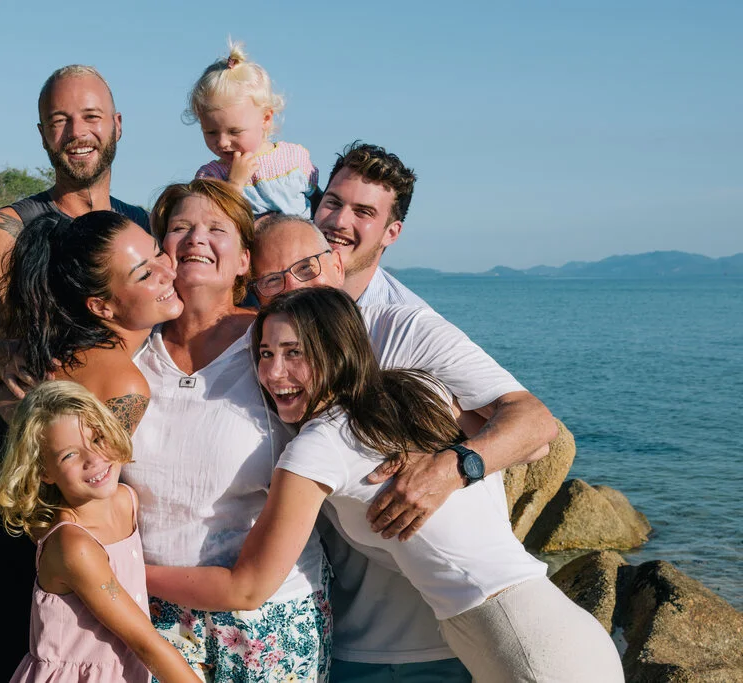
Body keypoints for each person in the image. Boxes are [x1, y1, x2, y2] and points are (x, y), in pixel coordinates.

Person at [147, 287, 624, 683]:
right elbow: (530, 443)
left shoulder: (317, 448)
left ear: (336, 353)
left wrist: (122, 573)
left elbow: (248, 588)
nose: (273, 373)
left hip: (527, 653)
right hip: (552, 633)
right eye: (265, 353)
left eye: (295, 353)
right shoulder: (417, 392)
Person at [248, 215, 560, 680]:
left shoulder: (404, 333)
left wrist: (449, 465)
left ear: (336, 263)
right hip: (352, 632)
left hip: (456, 634)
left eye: (305, 269)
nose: (291, 287)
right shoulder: (268, 350)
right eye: (273, 280)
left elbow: (535, 430)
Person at [0, 211, 182, 682]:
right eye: (145, 272)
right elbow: (80, 502)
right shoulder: (123, 384)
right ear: (101, 307)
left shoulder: (45, 338)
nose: (168, 270)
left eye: (158, 252)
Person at [121, 178, 331, 681]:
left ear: (243, 261)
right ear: (160, 252)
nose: (196, 238)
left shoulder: (274, 346)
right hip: (151, 615)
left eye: (216, 229)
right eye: (180, 228)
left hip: (270, 618)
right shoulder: (127, 355)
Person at [0, 64, 150, 407]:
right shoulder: (10, 230)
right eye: (59, 121)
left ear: (117, 125)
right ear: (42, 135)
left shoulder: (144, 226)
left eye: (91, 116)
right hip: (43, 434)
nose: (76, 132)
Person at [0, 380, 197, 683]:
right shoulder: (74, 545)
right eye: (69, 455)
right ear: (44, 472)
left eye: (97, 438)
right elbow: (146, 644)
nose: (93, 459)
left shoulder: (126, 499)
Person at [188, 42, 319, 217]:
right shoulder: (211, 176)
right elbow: (211, 220)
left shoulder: (294, 158)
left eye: (234, 131)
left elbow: (321, 205)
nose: (222, 142)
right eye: (211, 132)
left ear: (265, 119)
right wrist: (234, 184)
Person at [314, 141, 428, 307]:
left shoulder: (409, 326)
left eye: (363, 212)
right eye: (333, 203)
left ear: (391, 233)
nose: (340, 221)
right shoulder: (270, 290)